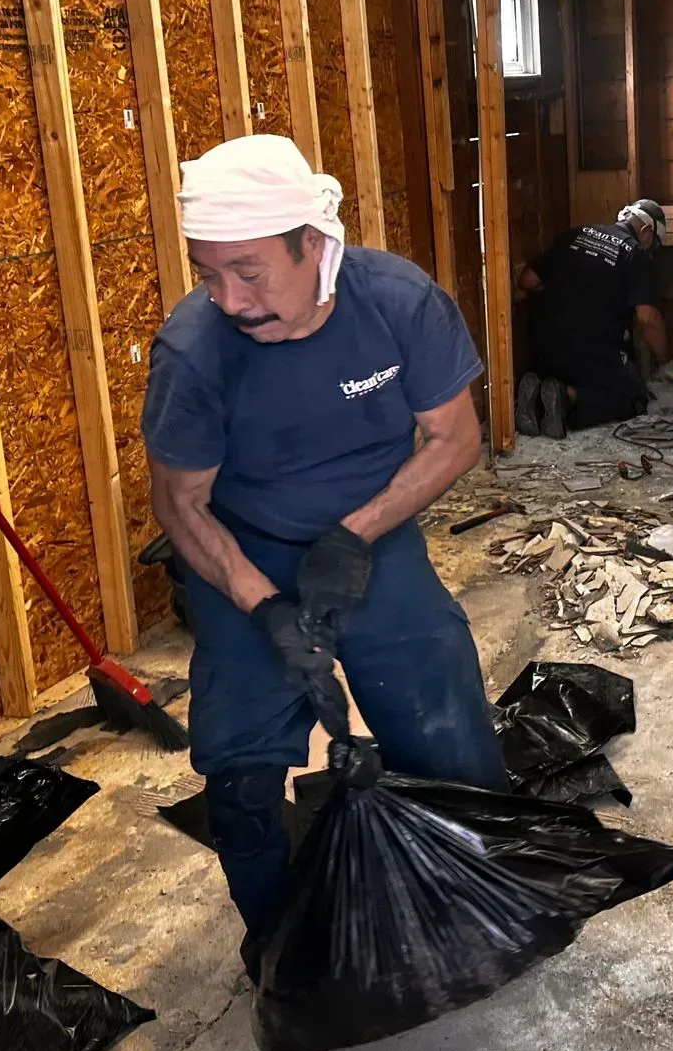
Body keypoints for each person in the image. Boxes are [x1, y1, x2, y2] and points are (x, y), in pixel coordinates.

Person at [141, 134, 506, 976]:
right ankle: (286, 959)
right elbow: (181, 503)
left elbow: (455, 440)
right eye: (208, 274)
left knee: (448, 736)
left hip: (373, 540)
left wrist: (355, 535)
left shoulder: (398, 303)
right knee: (240, 778)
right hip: (246, 554)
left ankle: (474, 907)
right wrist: (264, 607)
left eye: (249, 272)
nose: (231, 300)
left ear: (313, 244)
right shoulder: (194, 352)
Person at [516, 198, 671, 438]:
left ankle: (539, 394)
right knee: (634, 398)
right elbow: (647, 318)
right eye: (655, 243)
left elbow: (527, 280)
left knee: (591, 368)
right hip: (589, 355)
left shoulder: (575, 234)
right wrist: (666, 362)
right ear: (645, 231)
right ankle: (566, 396)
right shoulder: (636, 255)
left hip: (543, 351)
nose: (652, 250)